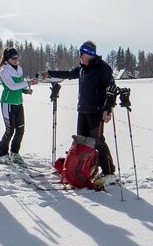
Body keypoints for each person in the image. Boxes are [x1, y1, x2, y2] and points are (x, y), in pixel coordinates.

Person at [42, 40, 116, 178]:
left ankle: (109, 172)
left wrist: (108, 108)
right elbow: (69, 74)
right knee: (82, 142)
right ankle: (85, 169)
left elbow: (111, 88)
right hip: (83, 110)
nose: (79, 56)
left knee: (98, 141)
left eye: (81, 53)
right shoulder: (82, 68)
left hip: (97, 111)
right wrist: (50, 73)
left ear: (88, 54)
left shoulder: (102, 68)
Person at [0, 47, 35, 164]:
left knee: (20, 129)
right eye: (13, 58)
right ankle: (2, 154)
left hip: (19, 103)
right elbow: (12, 86)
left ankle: (14, 153)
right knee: (10, 130)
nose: (16, 59)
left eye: (17, 57)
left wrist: (26, 90)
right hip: (8, 103)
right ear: (8, 59)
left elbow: (19, 86)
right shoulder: (4, 70)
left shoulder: (19, 69)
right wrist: (27, 82)